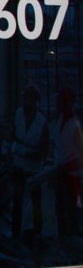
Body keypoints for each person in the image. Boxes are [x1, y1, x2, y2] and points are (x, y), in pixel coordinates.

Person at [10, 85, 48, 243]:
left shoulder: (42, 122)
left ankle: (38, 233)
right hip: (18, 166)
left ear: (34, 101)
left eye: (27, 97)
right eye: (23, 97)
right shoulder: (18, 114)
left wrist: (27, 154)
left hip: (34, 169)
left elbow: (43, 151)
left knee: (36, 202)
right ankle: (15, 235)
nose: (24, 100)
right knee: (17, 202)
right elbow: (12, 134)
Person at [54, 86, 83, 237]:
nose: (62, 106)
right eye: (61, 103)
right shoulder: (60, 120)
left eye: (65, 103)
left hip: (72, 177)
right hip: (60, 174)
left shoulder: (75, 125)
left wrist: (66, 167)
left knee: (72, 214)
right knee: (60, 211)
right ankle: (63, 244)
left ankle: (75, 249)